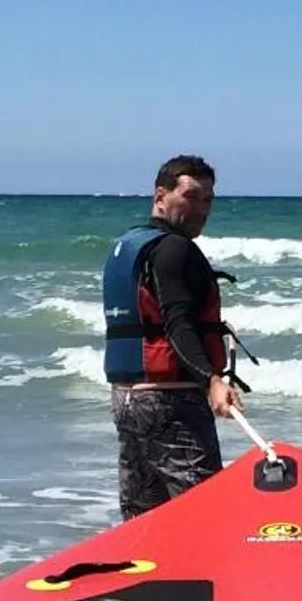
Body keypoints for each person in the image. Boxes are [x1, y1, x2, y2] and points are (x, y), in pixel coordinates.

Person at [102, 154, 239, 517]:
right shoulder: (174, 250)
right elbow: (178, 322)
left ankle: (148, 574)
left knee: (145, 518)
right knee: (205, 514)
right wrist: (210, 380)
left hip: (128, 401)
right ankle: (209, 573)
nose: (201, 209)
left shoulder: (130, 246)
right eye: (191, 197)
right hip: (171, 403)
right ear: (160, 195)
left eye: (208, 200)